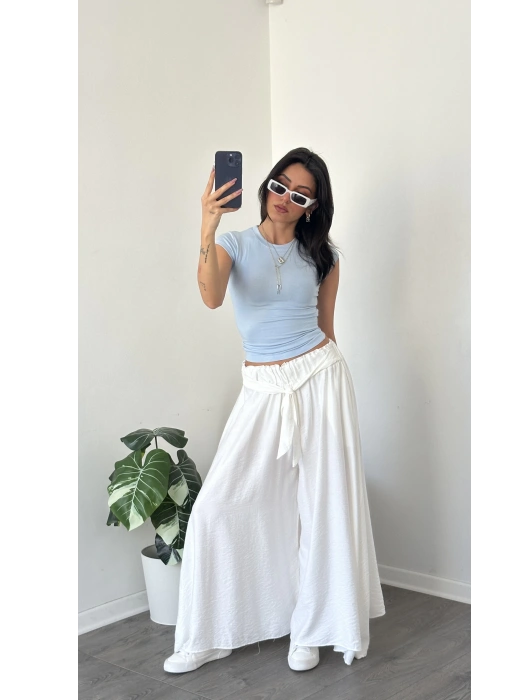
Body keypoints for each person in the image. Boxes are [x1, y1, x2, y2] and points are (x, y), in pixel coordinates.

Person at [164, 147, 385, 675]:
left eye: (301, 194)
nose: (286, 198)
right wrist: (208, 224)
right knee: (217, 507)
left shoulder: (324, 258)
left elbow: (327, 329)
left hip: (321, 377)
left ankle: (313, 629)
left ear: (313, 206)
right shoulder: (234, 244)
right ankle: (210, 634)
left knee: (322, 507)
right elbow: (211, 298)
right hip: (262, 386)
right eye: (280, 185)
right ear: (266, 186)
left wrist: (332, 394)